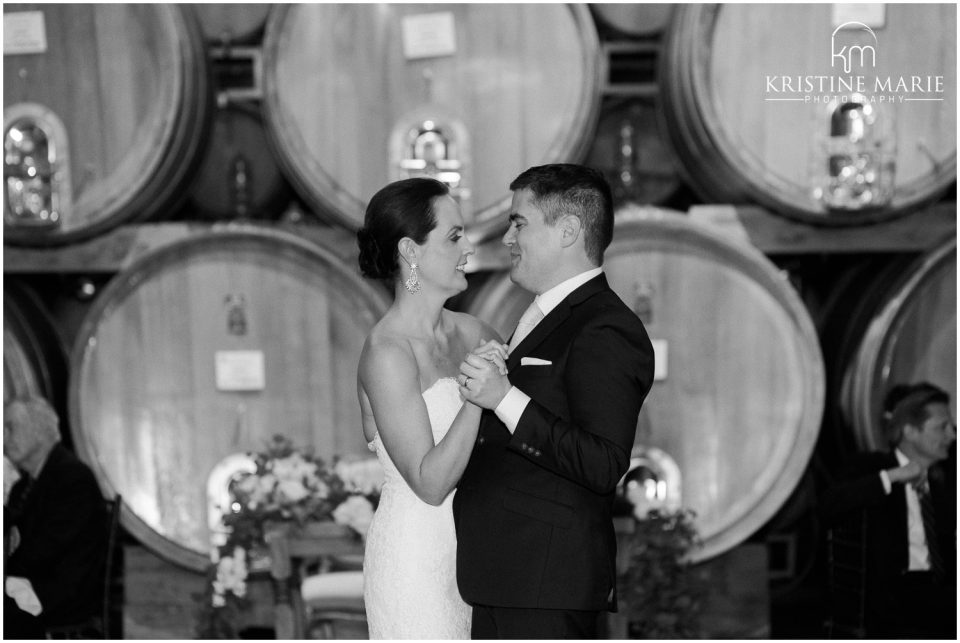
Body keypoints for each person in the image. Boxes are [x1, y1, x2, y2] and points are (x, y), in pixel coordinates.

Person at [453, 163, 656, 638]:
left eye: (519, 222)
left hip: (546, 586)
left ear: (568, 231)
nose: (507, 238)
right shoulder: (545, 314)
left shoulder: (605, 327)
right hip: (510, 579)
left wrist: (503, 398)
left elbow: (604, 463)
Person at [355, 177, 507, 639]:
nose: (468, 248)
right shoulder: (387, 352)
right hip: (415, 563)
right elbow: (429, 482)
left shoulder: (476, 332)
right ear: (411, 250)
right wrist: (477, 399)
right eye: (454, 236)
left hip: (483, 558)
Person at [824, 382, 957, 638]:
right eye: (942, 427)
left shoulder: (946, 478)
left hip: (941, 590)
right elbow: (828, 505)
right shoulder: (871, 467)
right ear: (910, 431)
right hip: (890, 598)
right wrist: (894, 476)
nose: (952, 435)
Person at [3, 395, 109, 639]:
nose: (4, 438)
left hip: (59, 595)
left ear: (39, 430)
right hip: (29, 583)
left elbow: (45, 550)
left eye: (11, 427)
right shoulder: (25, 484)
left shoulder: (72, 478)